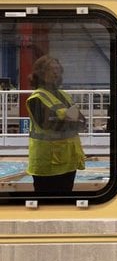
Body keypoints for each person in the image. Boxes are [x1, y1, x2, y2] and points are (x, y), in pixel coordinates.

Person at [26, 55, 85, 193]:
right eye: (51, 69)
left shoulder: (64, 95)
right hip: (47, 165)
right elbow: (49, 125)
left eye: (58, 69)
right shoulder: (37, 98)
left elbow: (82, 122)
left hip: (69, 162)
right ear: (40, 73)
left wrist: (67, 121)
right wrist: (71, 121)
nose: (56, 72)